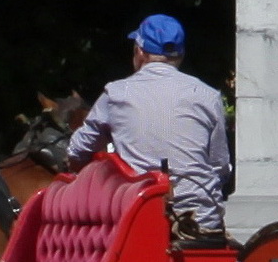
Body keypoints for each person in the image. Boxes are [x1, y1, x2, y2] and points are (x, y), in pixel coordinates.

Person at [58, 14, 231, 240]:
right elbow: (220, 166)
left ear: (140, 51)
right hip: (199, 221)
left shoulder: (117, 93)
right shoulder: (208, 96)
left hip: (138, 218)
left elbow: (77, 150)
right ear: (180, 54)